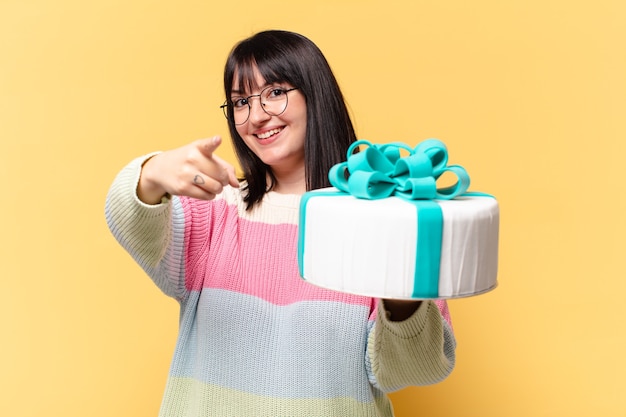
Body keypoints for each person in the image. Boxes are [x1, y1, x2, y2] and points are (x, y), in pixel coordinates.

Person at [105, 30, 456, 417]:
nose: (255, 116)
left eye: (274, 92)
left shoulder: (377, 219)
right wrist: (152, 172)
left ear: (315, 95)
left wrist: (399, 283)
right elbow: (129, 221)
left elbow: (415, 369)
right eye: (240, 101)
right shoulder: (214, 211)